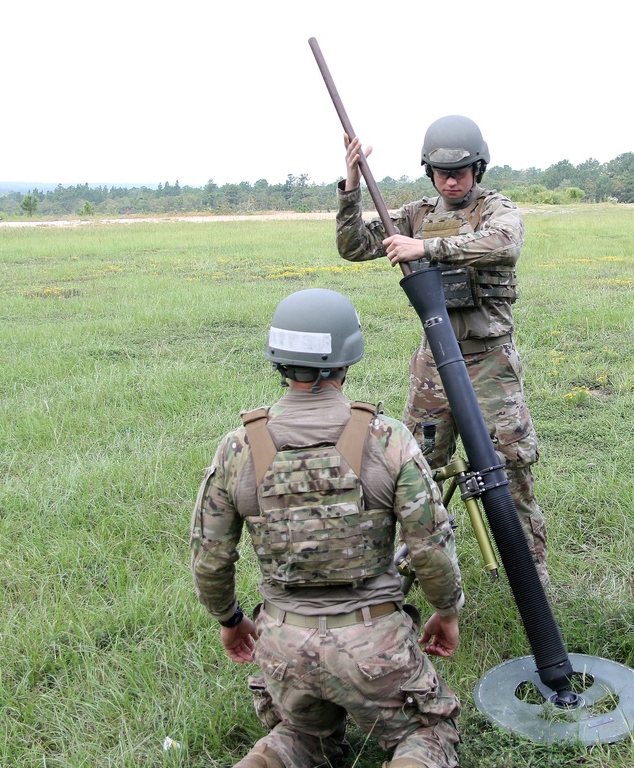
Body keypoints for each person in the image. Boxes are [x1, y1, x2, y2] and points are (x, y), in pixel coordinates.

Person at [191, 288, 464, 768]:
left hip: (283, 644)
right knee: (428, 733)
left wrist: (231, 622)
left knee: (297, 735)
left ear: (278, 357)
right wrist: (447, 612)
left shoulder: (237, 448)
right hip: (373, 644)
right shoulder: (387, 438)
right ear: (348, 355)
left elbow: (210, 557)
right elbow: (429, 547)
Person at [336, 115, 549, 584]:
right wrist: (350, 186)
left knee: (512, 472)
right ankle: (420, 574)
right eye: (440, 172)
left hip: (488, 361)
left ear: (479, 170)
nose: (451, 180)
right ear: (428, 172)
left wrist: (425, 250)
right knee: (418, 472)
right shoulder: (415, 214)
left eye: (461, 171)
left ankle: (531, 579)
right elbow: (352, 246)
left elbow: (506, 243)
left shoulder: (495, 209)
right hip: (433, 364)